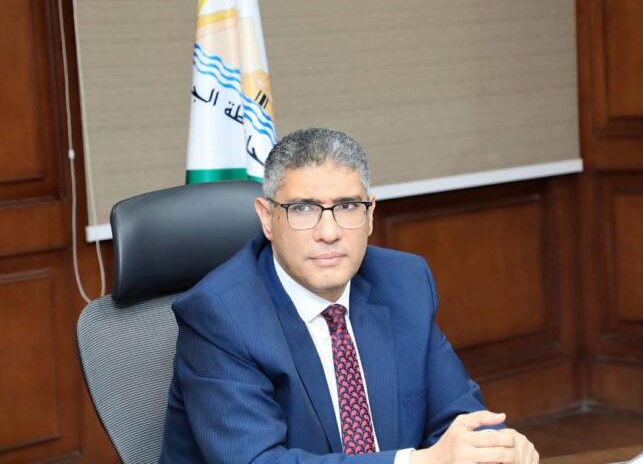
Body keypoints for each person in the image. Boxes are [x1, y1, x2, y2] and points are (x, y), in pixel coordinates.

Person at [160, 128, 539, 464]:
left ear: (370, 214)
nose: (329, 232)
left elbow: (459, 416)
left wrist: (496, 447)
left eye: (347, 207)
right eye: (303, 209)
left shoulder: (404, 282)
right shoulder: (220, 314)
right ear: (266, 218)